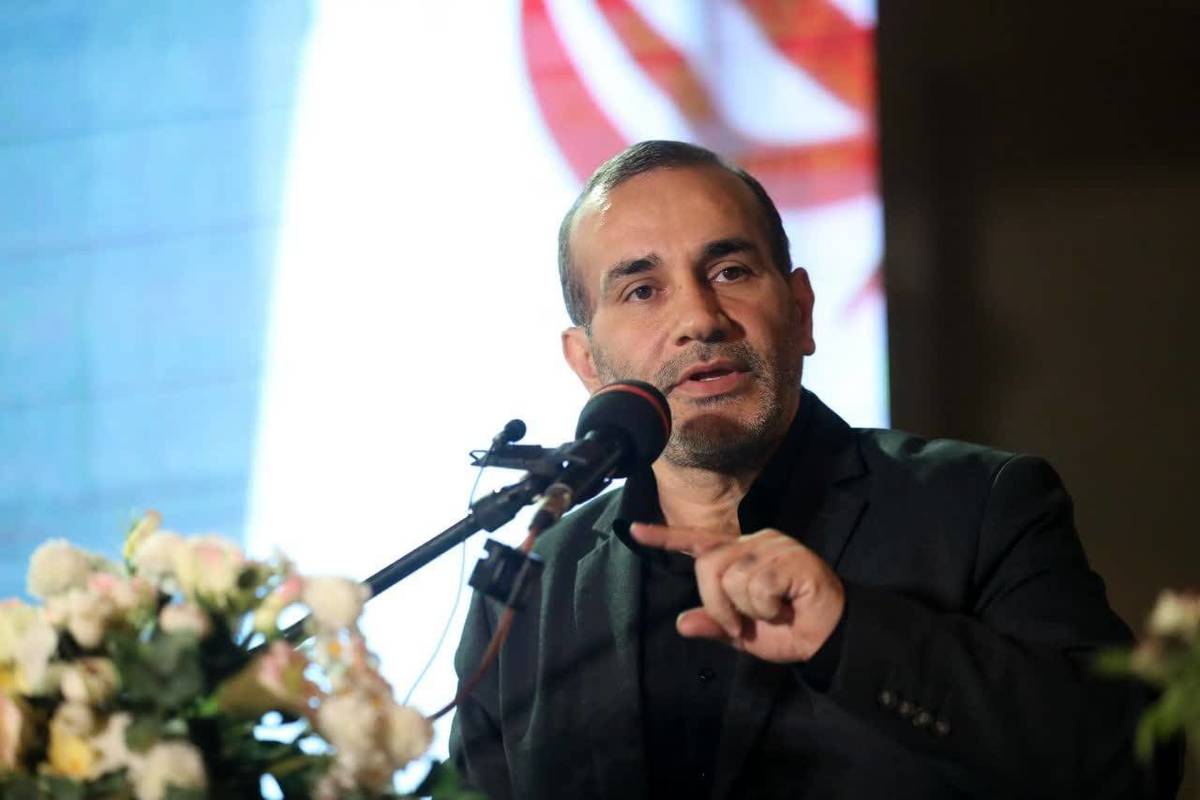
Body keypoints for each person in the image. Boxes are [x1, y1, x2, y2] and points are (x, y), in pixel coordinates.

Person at [448, 140, 1180, 799]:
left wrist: (852, 635)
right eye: (642, 290)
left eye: (731, 271)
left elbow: (1133, 761)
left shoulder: (982, 505)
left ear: (799, 311)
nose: (700, 318)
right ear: (586, 362)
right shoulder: (525, 589)